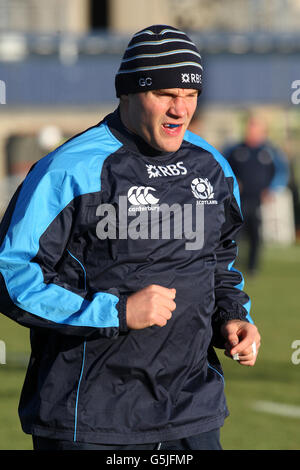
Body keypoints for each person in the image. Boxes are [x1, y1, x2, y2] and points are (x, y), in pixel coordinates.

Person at [0, 24, 260, 451]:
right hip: (92, 419)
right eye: (165, 94)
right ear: (128, 92)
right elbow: (10, 274)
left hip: (191, 413)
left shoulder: (211, 166)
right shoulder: (68, 170)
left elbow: (219, 259)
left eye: (191, 94)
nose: (181, 109)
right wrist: (116, 311)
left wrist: (232, 318)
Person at [223, 115, 290, 275]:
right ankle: (231, 264)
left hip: (258, 199)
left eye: (254, 127)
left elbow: (281, 171)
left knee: (255, 233)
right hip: (238, 199)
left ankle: (253, 266)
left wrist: (272, 188)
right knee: (235, 232)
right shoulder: (235, 149)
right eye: (249, 126)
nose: (250, 130)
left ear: (262, 131)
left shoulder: (270, 151)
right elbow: (221, 167)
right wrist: (231, 183)